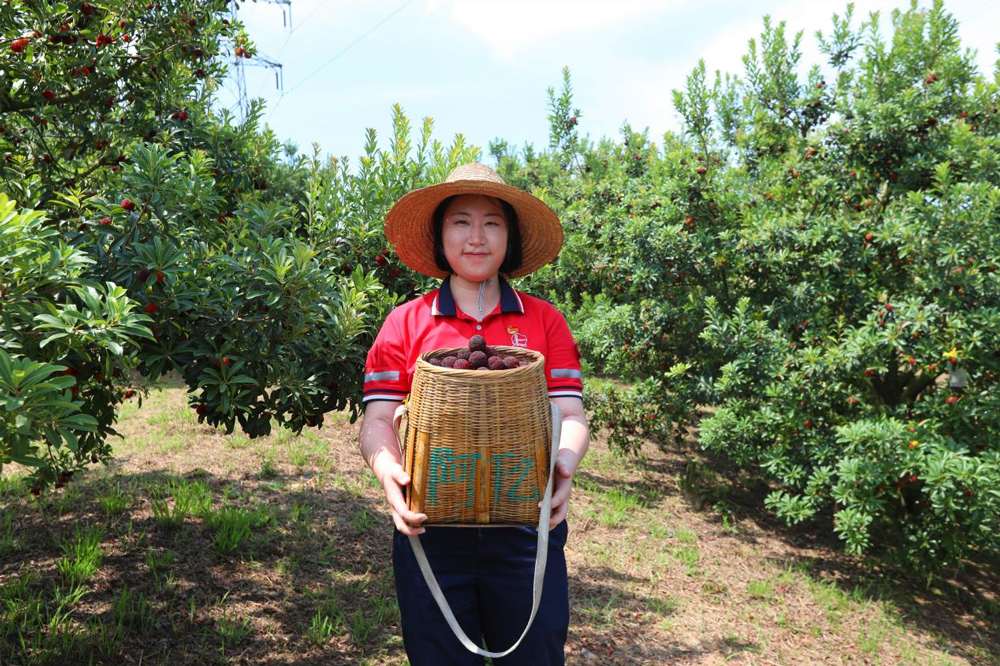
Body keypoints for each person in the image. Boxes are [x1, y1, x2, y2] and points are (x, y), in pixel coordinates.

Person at [357, 162, 590, 665]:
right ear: (440, 237)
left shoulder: (544, 320)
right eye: (461, 221)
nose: (476, 237)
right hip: (431, 532)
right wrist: (387, 473)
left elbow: (570, 411)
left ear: (511, 237)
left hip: (527, 529)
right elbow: (377, 419)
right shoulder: (405, 323)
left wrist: (564, 466)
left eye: (493, 222)